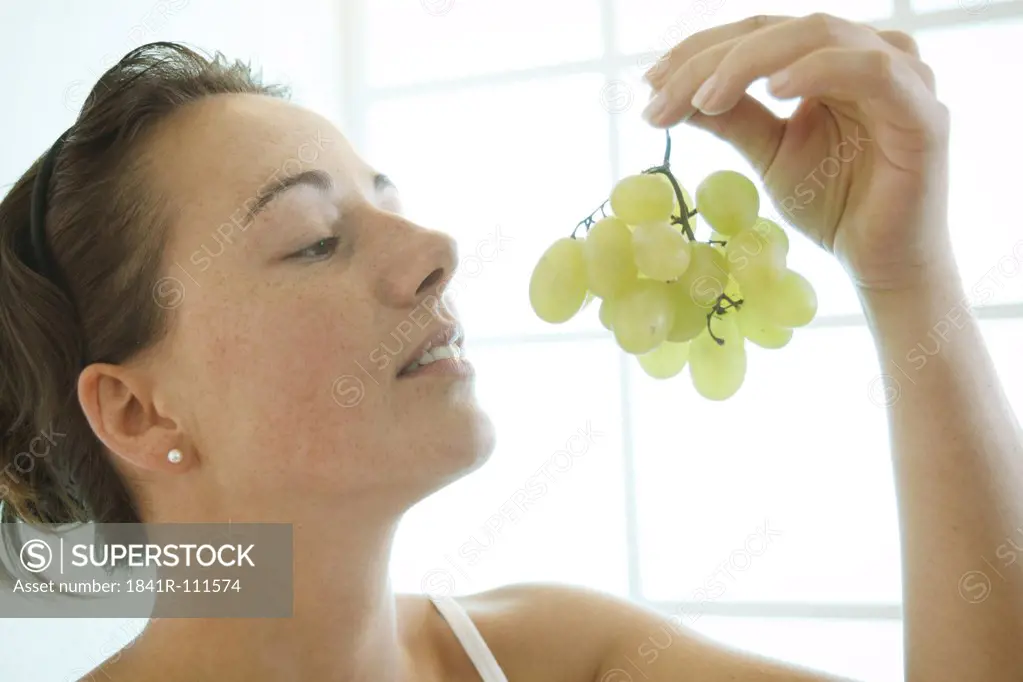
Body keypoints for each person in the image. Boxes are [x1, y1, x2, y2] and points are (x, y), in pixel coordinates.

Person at [0, 12, 1020, 682]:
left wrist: (903, 269)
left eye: (388, 202)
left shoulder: (563, 656)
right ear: (138, 411)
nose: (439, 250)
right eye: (315, 240)